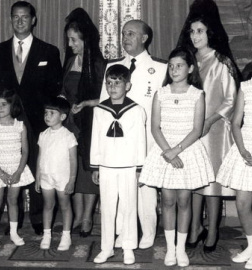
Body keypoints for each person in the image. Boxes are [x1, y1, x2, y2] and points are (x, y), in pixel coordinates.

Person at [139, 48, 214, 267]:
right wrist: (168, 152)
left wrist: (177, 150)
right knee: (168, 200)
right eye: (171, 66)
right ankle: (170, 249)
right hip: (164, 150)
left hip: (187, 151)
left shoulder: (197, 94)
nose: (174, 70)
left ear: (190, 68)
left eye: (179, 65)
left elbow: (197, 129)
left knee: (184, 200)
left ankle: (181, 248)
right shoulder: (161, 93)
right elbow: (155, 127)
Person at [99, 19, 167, 249]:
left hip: (147, 138)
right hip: (117, 140)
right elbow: (103, 105)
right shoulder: (113, 66)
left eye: (131, 33)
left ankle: (147, 230)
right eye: (123, 33)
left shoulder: (160, 67)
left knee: (144, 185)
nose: (125, 38)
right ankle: (122, 231)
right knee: (120, 188)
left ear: (144, 38)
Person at [177, 9, 241, 252]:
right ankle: (195, 227)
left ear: (210, 33)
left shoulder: (220, 61)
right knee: (194, 181)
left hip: (213, 130)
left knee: (211, 183)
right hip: (192, 130)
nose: (195, 36)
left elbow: (230, 100)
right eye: (192, 32)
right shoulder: (190, 60)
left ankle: (212, 230)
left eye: (200, 31)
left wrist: (209, 121)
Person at [0, 1, 63, 235]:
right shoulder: (0, 50)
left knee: (37, 163)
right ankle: (8, 219)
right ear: (10, 19)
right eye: (15, 17)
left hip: (37, 119)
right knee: (6, 163)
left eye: (24, 17)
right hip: (5, 120)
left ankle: (37, 218)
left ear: (33, 20)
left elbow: (55, 88)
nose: (19, 21)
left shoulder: (49, 51)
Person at [217, 38, 252, 270]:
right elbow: (236, 122)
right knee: (242, 202)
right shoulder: (246, 86)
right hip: (246, 148)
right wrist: (242, 149)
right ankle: (251, 245)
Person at [90, 64, 146, 265]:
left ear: (128, 85)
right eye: (109, 83)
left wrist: (140, 167)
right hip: (106, 166)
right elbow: (95, 138)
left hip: (129, 166)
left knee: (129, 206)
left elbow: (141, 140)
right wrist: (95, 166)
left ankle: (128, 246)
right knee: (107, 207)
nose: (112, 87)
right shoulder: (99, 110)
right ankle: (107, 247)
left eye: (118, 83)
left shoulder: (136, 110)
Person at [62, 8, 106, 236]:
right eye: (69, 39)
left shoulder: (98, 63)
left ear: (85, 39)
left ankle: (88, 216)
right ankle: (78, 215)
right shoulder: (69, 61)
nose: (70, 44)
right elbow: (63, 90)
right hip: (70, 122)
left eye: (74, 40)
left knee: (89, 169)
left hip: (90, 122)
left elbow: (107, 99)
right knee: (74, 169)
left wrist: (87, 103)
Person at [35, 96, 77, 251]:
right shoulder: (43, 134)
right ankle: (47, 235)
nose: (47, 116)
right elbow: (40, 156)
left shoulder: (68, 136)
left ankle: (66, 236)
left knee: (65, 206)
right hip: (46, 176)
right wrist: (38, 175)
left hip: (63, 178)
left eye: (52, 113)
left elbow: (73, 161)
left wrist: (72, 180)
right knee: (48, 205)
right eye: (46, 113)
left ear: (63, 116)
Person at [0, 88, 35, 246]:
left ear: (12, 106)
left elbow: (25, 151)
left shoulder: (20, 126)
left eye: (3, 104)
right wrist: (1, 173)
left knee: (12, 200)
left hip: (16, 168)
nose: (0, 108)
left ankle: (14, 233)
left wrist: (19, 171)